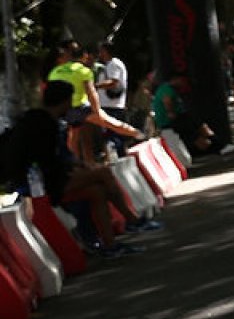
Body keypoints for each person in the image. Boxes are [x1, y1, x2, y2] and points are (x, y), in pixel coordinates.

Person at [3, 81, 159, 257]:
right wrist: (75, 168)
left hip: (43, 181)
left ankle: (110, 244)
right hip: (42, 185)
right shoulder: (44, 124)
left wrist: (77, 166)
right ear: (64, 101)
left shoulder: (37, 119)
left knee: (97, 191)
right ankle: (132, 220)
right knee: (104, 173)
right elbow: (48, 160)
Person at [47, 39, 144, 145]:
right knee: (112, 123)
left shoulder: (55, 72)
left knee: (73, 136)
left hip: (65, 110)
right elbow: (91, 93)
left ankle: (73, 155)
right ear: (83, 57)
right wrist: (97, 112)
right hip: (81, 108)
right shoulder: (83, 71)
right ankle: (138, 134)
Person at [151, 74, 215, 153]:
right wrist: (171, 113)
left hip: (175, 118)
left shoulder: (168, 88)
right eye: (183, 80)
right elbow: (167, 101)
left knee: (197, 122)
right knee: (192, 127)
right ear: (176, 79)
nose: (184, 83)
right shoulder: (167, 89)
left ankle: (211, 140)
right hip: (170, 121)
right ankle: (209, 144)